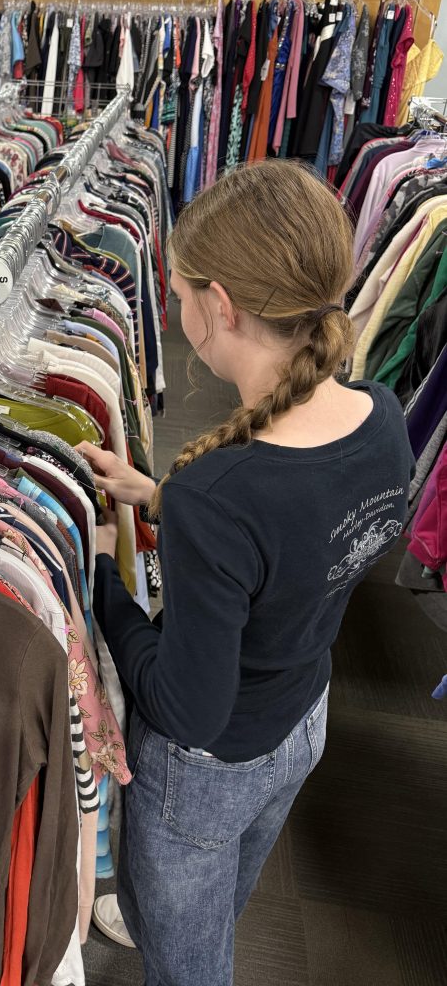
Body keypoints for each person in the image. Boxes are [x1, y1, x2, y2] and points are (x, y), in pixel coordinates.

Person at [77, 161, 414, 986]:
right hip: (304, 716)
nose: (178, 305)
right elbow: (293, 539)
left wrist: (102, 590)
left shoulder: (218, 496)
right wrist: (158, 499)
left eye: (181, 290)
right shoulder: (380, 415)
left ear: (218, 306)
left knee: (189, 969)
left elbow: (189, 709)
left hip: (208, 770)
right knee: (216, 911)